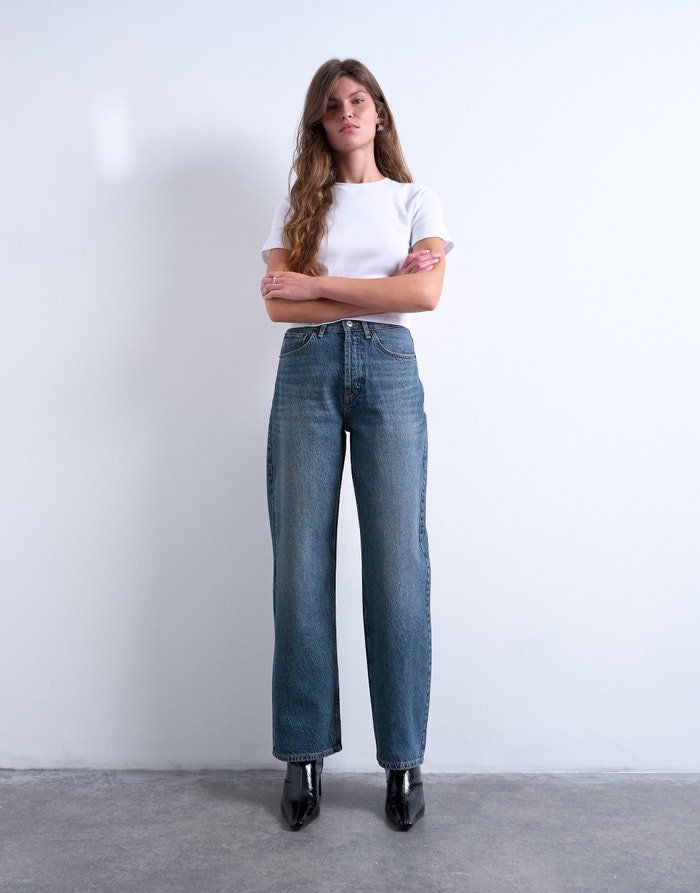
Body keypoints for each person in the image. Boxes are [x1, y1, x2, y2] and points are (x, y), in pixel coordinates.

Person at [260, 58, 453, 831]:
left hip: (389, 369)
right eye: (333, 103)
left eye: (359, 99)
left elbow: (423, 293)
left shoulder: (414, 199)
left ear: (379, 114)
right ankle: (303, 754)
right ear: (320, 120)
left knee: (398, 565)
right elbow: (279, 309)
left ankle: (403, 760)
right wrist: (363, 289)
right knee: (300, 564)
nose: (347, 111)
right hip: (305, 373)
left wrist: (317, 284)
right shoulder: (297, 204)